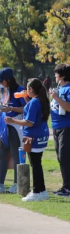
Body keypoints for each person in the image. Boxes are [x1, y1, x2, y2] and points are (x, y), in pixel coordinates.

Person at [6, 78, 51, 202]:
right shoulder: (41, 100)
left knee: (35, 165)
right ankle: (42, 191)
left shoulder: (34, 102)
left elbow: (29, 122)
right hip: (41, 135)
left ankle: (37, 191)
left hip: (33, 137)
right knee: (37, 164)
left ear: (31, 89)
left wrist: (12, 120)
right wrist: (27, 101)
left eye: (27, 88)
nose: (25, 90)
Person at [50, 63, 70, 197]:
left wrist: (56, 98)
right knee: (60, 157)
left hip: (66, 127)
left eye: (56, 74)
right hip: (56, 127)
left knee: (65, 158)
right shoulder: (59, 88)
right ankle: (65, 186)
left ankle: (67, 188)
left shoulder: (68, 89)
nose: (55, 76)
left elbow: (68, 107)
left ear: (61, 75)